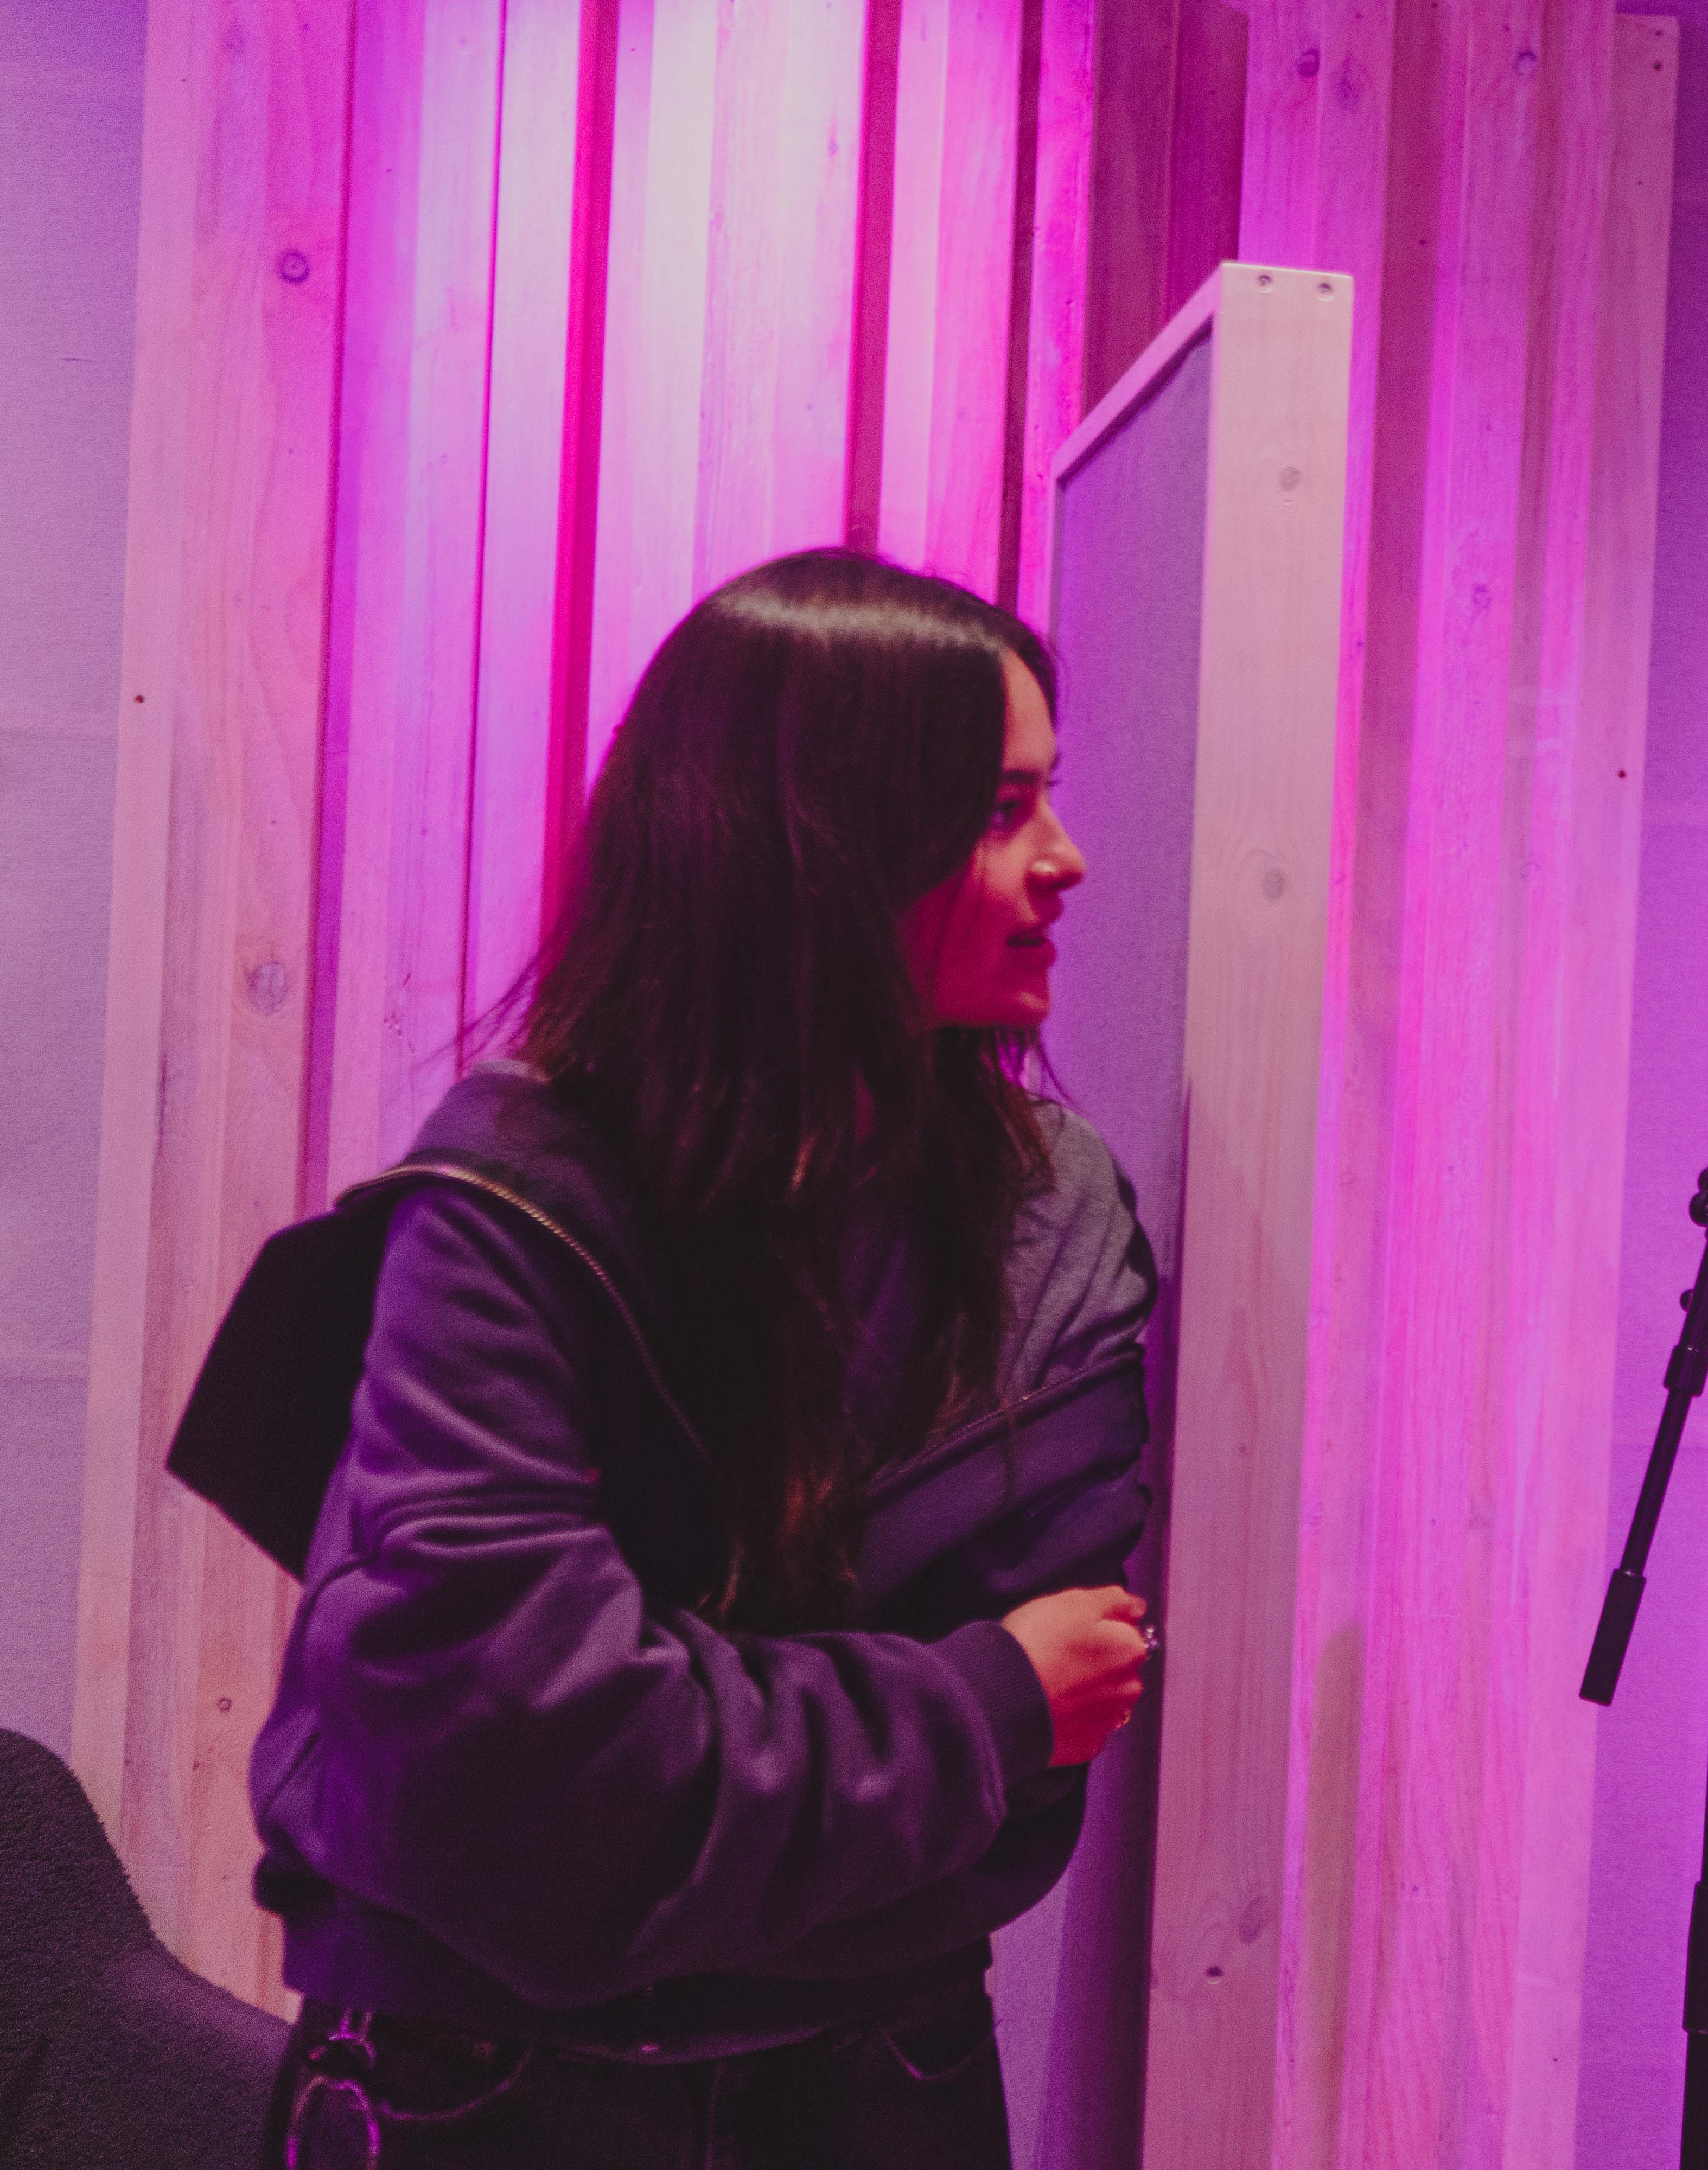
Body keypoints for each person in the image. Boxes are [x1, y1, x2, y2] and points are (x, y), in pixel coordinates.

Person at [247, 552, 1157, 2168]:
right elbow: (524, 1774)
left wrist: (683, 1726)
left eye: (1050, 797)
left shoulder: (1059, 1217)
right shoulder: (519, 1192)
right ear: (820, 845)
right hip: (491, 2091)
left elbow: (1036, 1799)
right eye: (1001, 809)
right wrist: (982, 1699)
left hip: (891, 2083)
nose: (1067, 859)